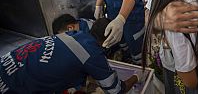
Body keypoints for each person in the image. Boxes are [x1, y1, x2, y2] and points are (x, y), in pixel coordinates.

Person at [0, 18, 143, 93]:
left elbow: (64, 62)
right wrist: (137, 76)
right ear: (109, 42)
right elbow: (116, 91)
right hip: (11, 87)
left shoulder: (74, 34)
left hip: (6, 65)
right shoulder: (93, 53)